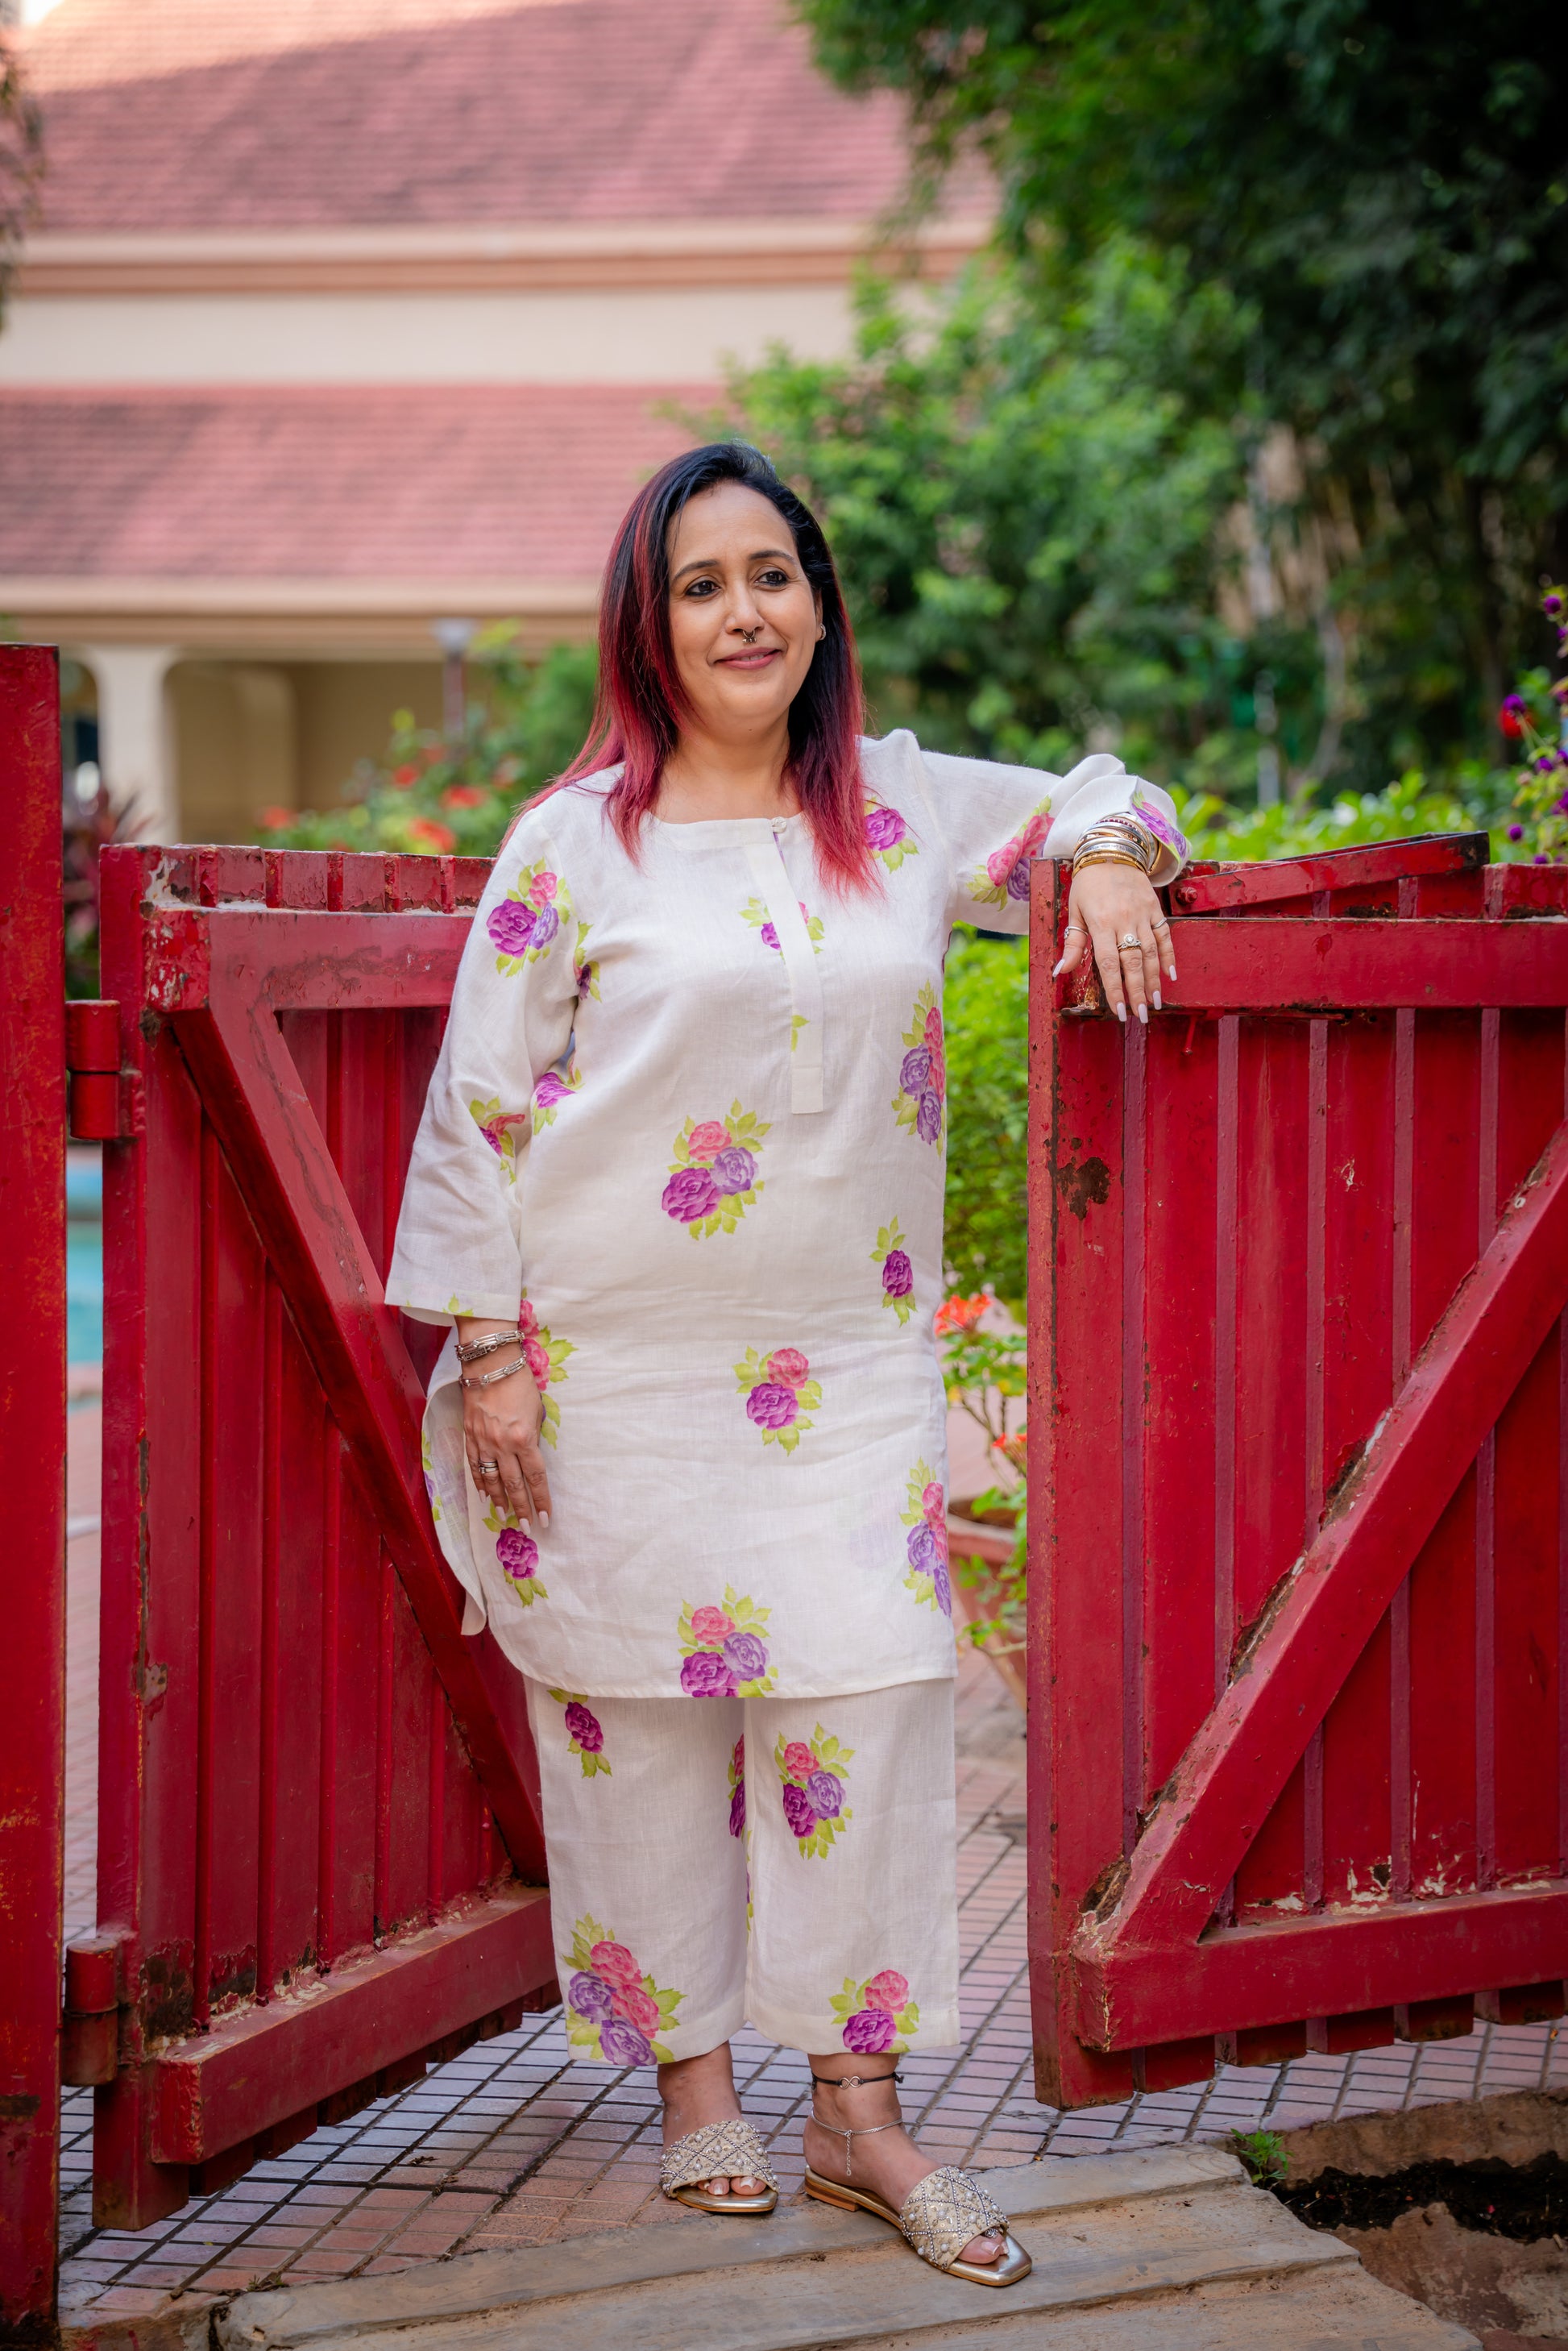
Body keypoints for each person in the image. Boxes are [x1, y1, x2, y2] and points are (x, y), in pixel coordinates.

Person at [388, 442, 1184, 2287]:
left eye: (771, 573)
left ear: (818, 603)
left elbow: (1106, 786)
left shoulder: (898, 808)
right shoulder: (574, 843)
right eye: (700, 583)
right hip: (609, 1369)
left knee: (867, 1706)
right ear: (648, 626)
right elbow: (479, 1103)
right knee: (634, 1717)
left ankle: (856, 2106)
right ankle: (693, 2091)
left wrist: (1105, 857)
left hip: (845, 1373)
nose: (742, 610)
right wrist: (491, 1355)